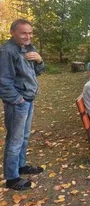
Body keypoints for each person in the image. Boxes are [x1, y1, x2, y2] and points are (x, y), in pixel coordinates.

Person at [0, 19, 45, 190]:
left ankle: (21, 166)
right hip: (18, 102)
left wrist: (40, 60)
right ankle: (12, 178)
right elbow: (3, 82)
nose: (28, 36)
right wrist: (17, 100)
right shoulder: (7, 51)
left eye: (30, 33)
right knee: (15, 139)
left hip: (28, 98)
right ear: (13, 32)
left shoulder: (28, 48)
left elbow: (38, 72)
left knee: (24, 136)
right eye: (23, 33)